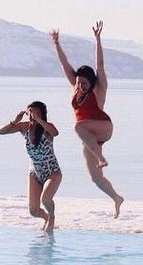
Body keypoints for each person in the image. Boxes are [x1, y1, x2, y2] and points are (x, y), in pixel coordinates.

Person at [50, 20, 124, 218]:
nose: (81, 86)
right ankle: (117, 198)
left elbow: (100, 65)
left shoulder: (98, 90)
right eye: (79, 82)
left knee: (77, 127)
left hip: (103, 127)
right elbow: (65, 65)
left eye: (84, 83)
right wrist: (57, 44)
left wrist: (98, 40)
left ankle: (101, 157)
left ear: (91, 83)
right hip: (90, 137)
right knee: (95, 177)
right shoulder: (75, 87)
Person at [0, 101, 62, 233]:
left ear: (42, 114)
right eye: (30, 112)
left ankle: (52, 217)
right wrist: (14, 121)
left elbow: (55, 133)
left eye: (36, 112)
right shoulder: (24, 127)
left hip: (52, 172)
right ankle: (46, 217)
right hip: (35, 174)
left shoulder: (47, 128)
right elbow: (1, 132)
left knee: (46, 199)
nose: (32, 114)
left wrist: (39, 120)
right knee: (33, 211)